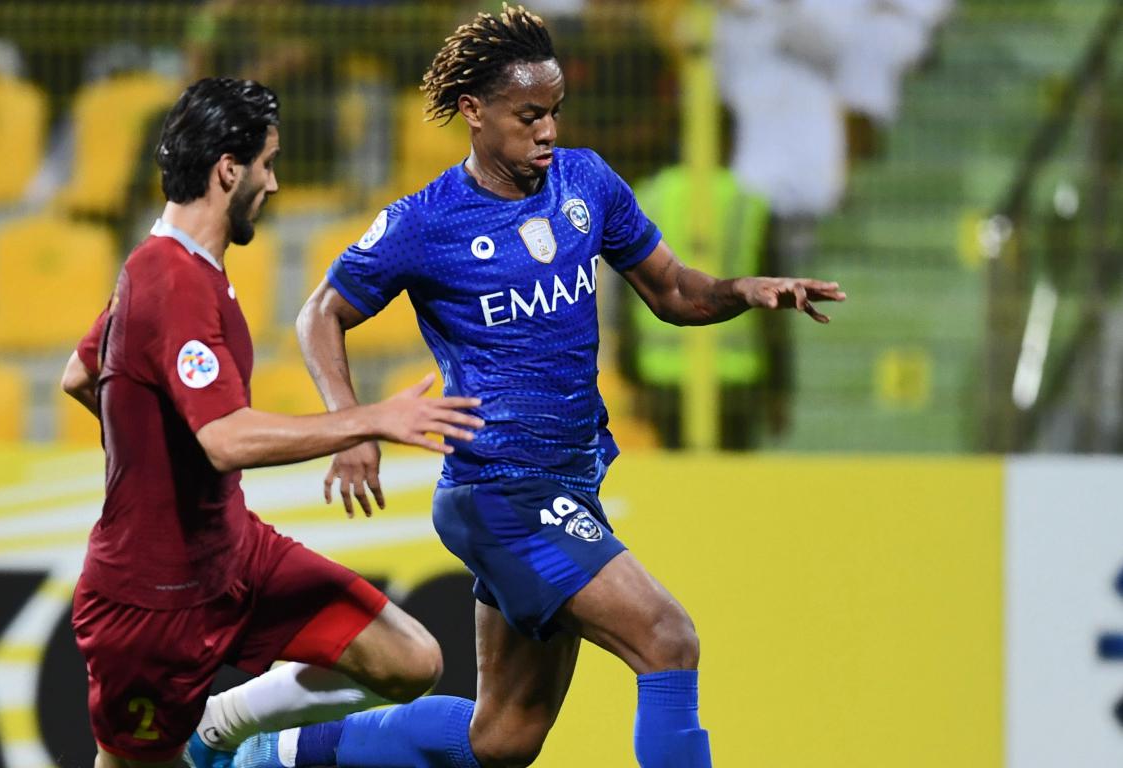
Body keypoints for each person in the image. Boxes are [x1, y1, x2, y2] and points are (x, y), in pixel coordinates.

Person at [232, 5, 844, 767]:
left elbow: (674, 292)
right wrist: (352, 428)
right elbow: (320, 312)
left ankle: (278, 755)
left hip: (566, 485)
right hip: (500, 494)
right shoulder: (426, 222)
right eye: (529, 116)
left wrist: (744, 290)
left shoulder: (586, 182)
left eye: (554, 111)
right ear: (474, 113)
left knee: (504, 739)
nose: (548, 131)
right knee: (666, 638)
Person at [60, 76, 486, 768]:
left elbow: (81, 377)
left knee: (409, 660)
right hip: (152, 607)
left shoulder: (167, 266)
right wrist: (368, 419)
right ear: (229, 170)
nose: (276, 183)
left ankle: (222, 725)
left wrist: (159, 461)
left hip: (234, 557)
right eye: (267, 163)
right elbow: (225, 439)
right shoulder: (173, 282)